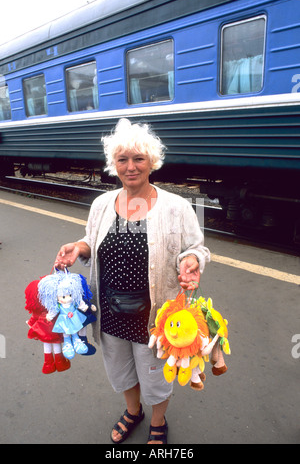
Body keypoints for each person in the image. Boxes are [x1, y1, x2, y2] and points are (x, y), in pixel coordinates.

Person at [55, 118, 210, 444]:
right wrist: (77, 247)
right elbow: (91, 240)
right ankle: (132, 411)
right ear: (114, 164)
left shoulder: (177, 207)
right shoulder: (101, 204)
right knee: (121, 371)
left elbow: (196, 248)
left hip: (154, 317)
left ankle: (157, 420)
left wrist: (193, 260)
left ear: (152, 161)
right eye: (122, 159)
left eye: (138, 158)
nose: (130, 166)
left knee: (154, 376)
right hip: (110, 313)